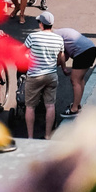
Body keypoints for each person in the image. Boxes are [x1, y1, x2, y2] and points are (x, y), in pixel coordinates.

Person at [22, 12, 65, 140]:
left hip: (35, 76)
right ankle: (47, 136)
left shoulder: (33, 37)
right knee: (50, 105)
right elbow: (61, 57)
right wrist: (61, 67)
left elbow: (22, 51)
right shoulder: (59, 39)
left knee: (30, 106)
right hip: (51, 75)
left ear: (41, 24)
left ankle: (30, 137)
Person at [56, 24, 96, 117]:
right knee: (80, 79)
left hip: (83, 53)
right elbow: (65, 55)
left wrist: (61, 67)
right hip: (90, 49)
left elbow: (62, 56)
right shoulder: (60, 32)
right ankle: (77, 104)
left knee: (75, 80)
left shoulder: (55, 38)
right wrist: (61, 65)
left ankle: (74, 109)